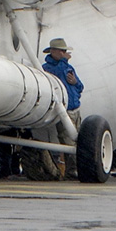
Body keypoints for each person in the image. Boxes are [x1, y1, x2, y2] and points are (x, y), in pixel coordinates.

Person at [42, 37, 84, 180]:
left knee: (77, 140)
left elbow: (80, 87)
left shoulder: (68, 67)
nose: (65, 54)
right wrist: (64, 61)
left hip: (74, 108)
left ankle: (75, 168)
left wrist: (75, 82)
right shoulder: (48, 68)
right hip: (64, 111)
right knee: (68, 140)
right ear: (53, 51)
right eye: (62, 51)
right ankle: (71, 170)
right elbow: (58, 75)